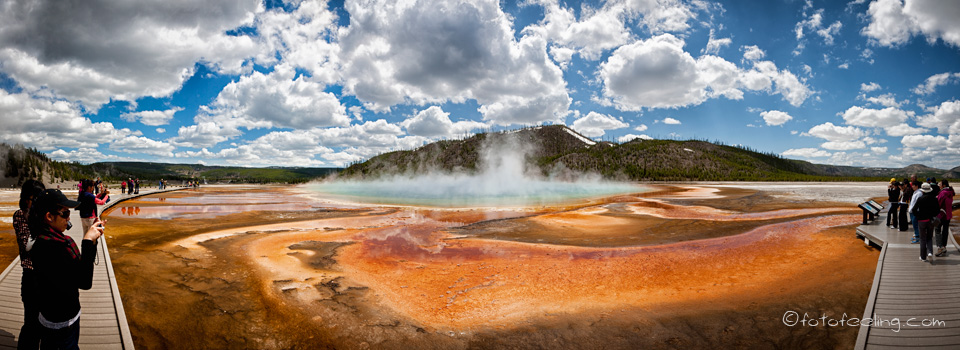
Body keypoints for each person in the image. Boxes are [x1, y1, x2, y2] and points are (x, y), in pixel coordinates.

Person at [27, 189, 104, 349]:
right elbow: (85, 282)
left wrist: (92, 240)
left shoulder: (40, 239)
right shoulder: (59, 246)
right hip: (63, 321)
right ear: (49, 216)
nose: (69, 218)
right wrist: (88, 241)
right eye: (65, 213)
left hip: (48, 316)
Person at [14, 180, 45, 350]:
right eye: (37, 197)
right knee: (31, 323)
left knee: (45, 322)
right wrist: (41, 225)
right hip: (31, 276)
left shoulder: (40, 214)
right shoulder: (20, 215)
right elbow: (27, 244)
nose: (39, 201)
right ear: (27, 198)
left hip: (47, 274)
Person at [913, 183, 940, 262]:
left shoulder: (920, 199)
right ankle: (930, 253)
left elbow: (914, 210)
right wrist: (933, 215)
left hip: (921, 220)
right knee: (929, 237)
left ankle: (923, 257)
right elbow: (937, 210)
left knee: (922, 238)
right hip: (931, 220)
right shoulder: (934, 199)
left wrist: (918, 216)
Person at [935, 180, 954, 257]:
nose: (939, 185)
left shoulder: (943, 193)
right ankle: (944, 246)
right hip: (948, 214)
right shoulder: (950, 192)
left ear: (944, 185)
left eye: (940, 184)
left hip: (941, 214)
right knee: (945, 230)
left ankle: (940, 247)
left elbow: (938, 204)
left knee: (937, 229)